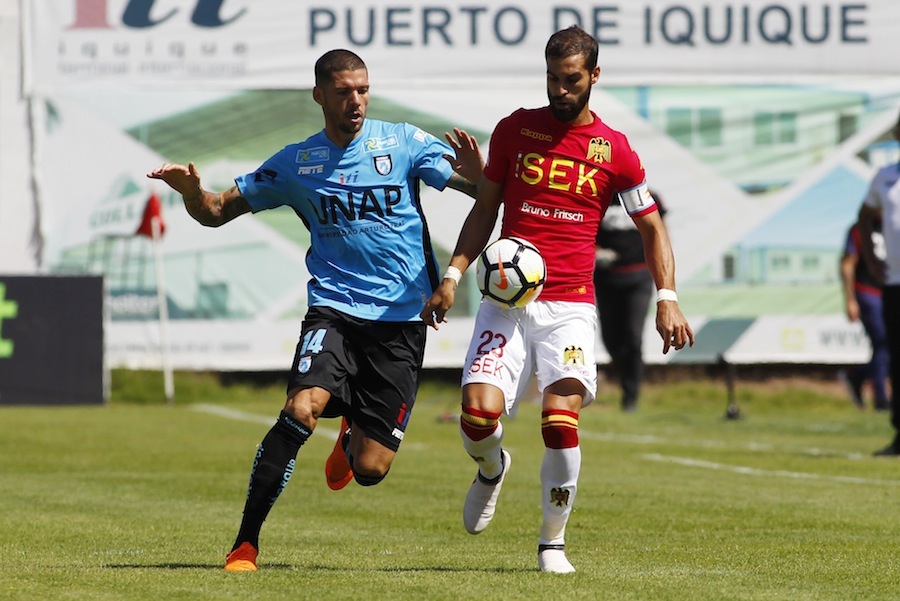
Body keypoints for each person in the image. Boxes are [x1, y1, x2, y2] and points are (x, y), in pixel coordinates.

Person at [148, 49, 482, 571]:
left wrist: (478, 176)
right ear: (319, 96)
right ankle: (245, 544)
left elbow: (482, 193)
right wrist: (192, 192)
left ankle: (350, 434)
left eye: (363, 90)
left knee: (370, 469)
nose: (356, 101)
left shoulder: (402, 142)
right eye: (344, 92)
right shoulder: (296, 163)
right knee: (301, 409)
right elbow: (215, 212)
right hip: (334, 310)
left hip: (400, 322)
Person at [420, 26, 694, 573]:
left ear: (594, 76)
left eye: (571, 80)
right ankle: (492, 467)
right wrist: (452, 275)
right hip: (506, 300)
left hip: (570, 305)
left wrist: (667, 296)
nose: (560, 90)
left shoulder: (614, 149)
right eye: (552, 78)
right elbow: (485, 210)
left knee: (560, 420)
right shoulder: (514, 129)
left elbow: (652, 228)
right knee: (476, 417)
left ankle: (552, 543)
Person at [594, 190, 667, 412]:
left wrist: (663, 275)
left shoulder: (646, 195)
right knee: (610, 339)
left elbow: (659, 234)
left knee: (633, 337)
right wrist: (596, 252)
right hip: (606, 279)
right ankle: (624, 375)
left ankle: (631, 395)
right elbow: (583, 233)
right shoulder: (598, 196)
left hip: (639, 278)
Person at [858, 110, 900, 456]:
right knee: (897, 357)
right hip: (895, 283)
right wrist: (872, 259)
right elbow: (865, 216)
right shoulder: (885, 177)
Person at [837, 219, 889, 410]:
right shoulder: (859, 229)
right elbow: (848, 263)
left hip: (890, 291)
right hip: (867, 292)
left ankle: (856, 376)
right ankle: (881, 399)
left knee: (890, 347)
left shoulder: (893, 225)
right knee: (883, 342)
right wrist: (850, 299)